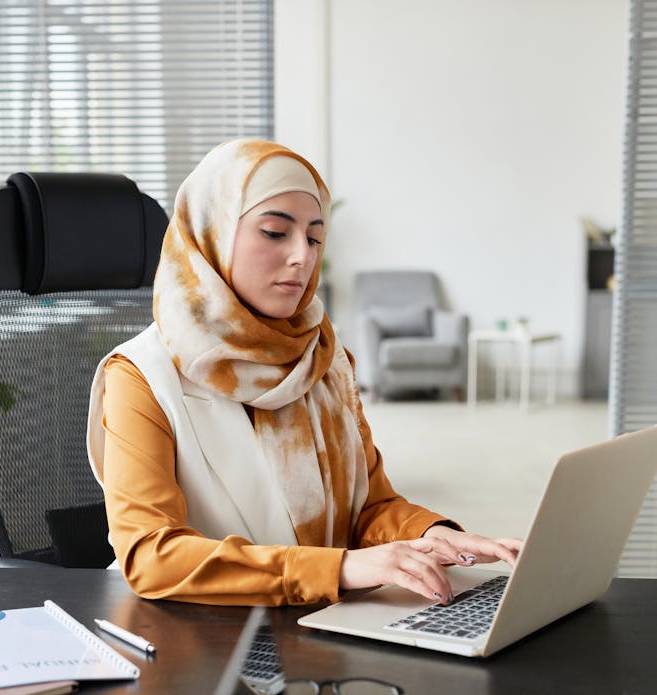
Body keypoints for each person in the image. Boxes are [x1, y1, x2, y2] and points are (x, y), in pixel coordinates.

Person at [87, 139, 520, 607]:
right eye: (275, 232)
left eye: (314, 238)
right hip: (198, 639)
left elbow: (370, 509)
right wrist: (338, 568)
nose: (303, 256)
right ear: (212, 234)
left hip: (317, 625)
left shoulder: (324, 360)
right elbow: (151, 555)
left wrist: (433, 536)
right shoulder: (141, 376)